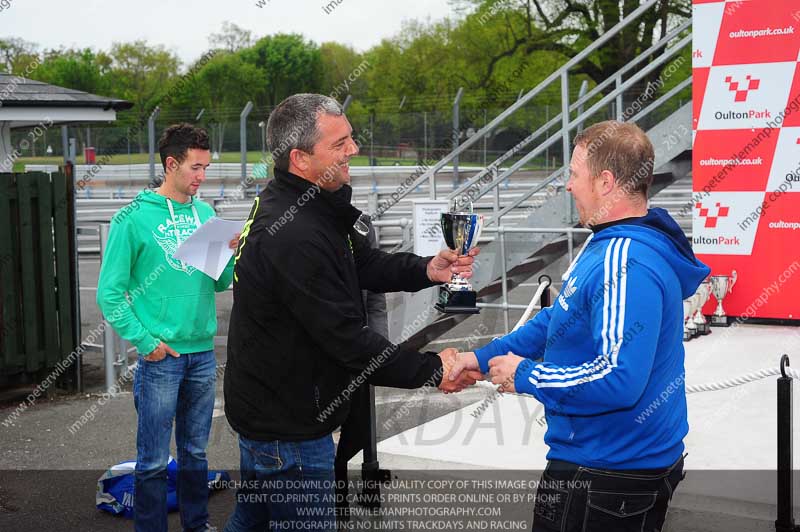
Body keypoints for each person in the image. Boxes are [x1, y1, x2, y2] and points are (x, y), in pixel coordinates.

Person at [223, 93, 483, 532]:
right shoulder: (293, 232)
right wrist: (433, 370)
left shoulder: (310, 203)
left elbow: (361, 263)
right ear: (300, 159)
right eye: (339, 143)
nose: (354, 150)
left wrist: (428, 269)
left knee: (251, 522)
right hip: (287, 430)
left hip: (273, 416)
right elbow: (345, 338)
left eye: (351, 138)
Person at [450, 120, 710, 532]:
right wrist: (482, 358)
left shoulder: (625, 260)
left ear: (605, 182)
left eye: (574, 174)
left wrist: (527, 374)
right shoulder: (612, 240)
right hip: (609, 468)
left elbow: (619, 379)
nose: (568, 186)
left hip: (605, 476)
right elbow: (559, 318)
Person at [97, 124, 239, 532]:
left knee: (196, 454)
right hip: (161, 358)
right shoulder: (132, 219)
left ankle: (198, 525)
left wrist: (230, 255)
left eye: (207, 168)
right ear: (171, 164)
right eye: (196, 167)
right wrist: (146, 342)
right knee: (154, 460)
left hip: (202, 354)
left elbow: (219, 283)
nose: (202, 176)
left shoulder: (205, 214)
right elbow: (109, 294)